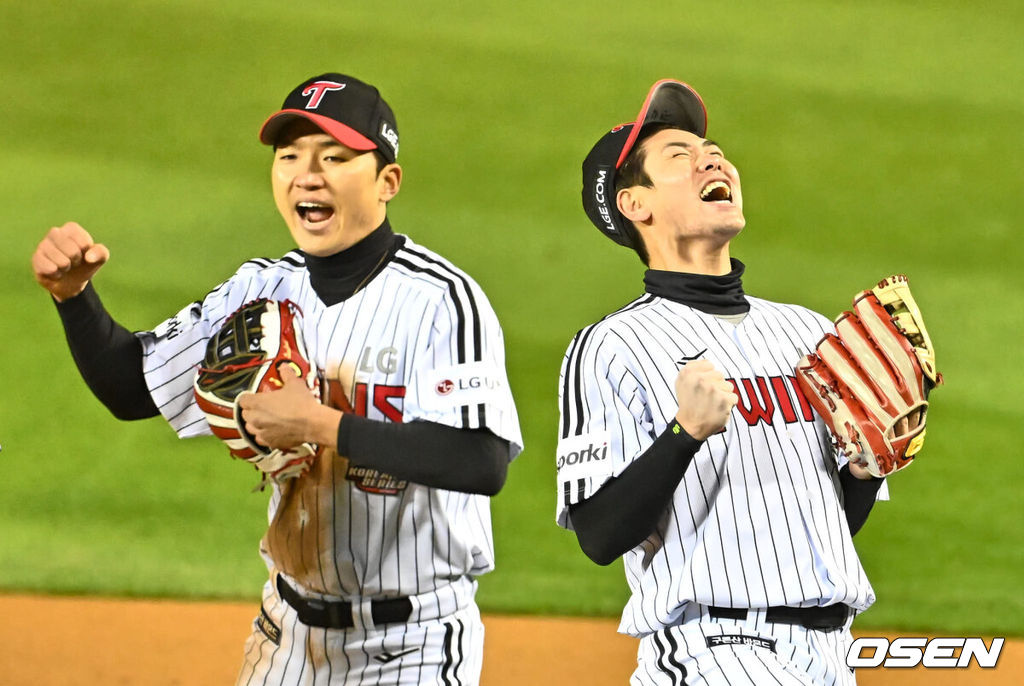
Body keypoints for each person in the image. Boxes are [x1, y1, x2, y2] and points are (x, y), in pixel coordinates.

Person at [32, 72, 523, 685]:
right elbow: (133, 389)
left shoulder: (444, 300)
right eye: (289, 156)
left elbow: (480, 461)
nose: (305, 174)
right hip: (287, 637)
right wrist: (75, 298)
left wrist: (320, 424)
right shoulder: (258, 288)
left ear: (387, 181)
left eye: (335, 157)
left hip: (415, 642)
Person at [555, 79, 893, 685]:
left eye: (710, 148)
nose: (710, 157)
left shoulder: (808, 333)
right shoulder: (612, 348)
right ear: (636, 205)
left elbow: (826, 521)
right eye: (678, 157)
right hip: (713, 650)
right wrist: (684, 434)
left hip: (831, 654)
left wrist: (864, 471)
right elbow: (600, 534)